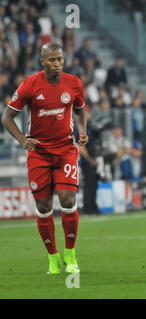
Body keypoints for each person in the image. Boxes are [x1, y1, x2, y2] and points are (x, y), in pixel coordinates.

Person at [1, 42, 89, 274]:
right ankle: (53, 257)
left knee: (68, 199)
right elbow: (7, 117)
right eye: (52, 60)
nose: (57, 64)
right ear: (42, 62)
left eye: (60, 59)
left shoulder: (73, 83)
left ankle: (70, 254)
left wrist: (82, 129)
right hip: (38, 153)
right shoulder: (30, 84)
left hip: (65, 150)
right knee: (43, 205)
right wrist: (22, 140)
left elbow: (81, 109)